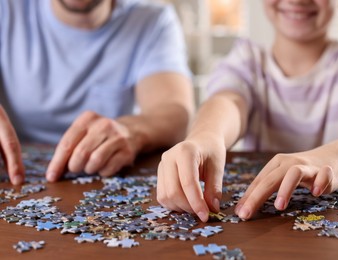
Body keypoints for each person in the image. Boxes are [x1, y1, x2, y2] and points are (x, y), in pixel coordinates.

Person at [157, 0, 338, 222]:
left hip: (336, 216)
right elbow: (227, 100)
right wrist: (206, 136)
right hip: (263, 221)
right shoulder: (246, 61)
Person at [0, 0, 194, 185]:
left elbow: (175, 113)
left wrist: (131, 131)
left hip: (108, 174)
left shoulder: (152, 20)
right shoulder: (6, 9)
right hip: (16, 174)